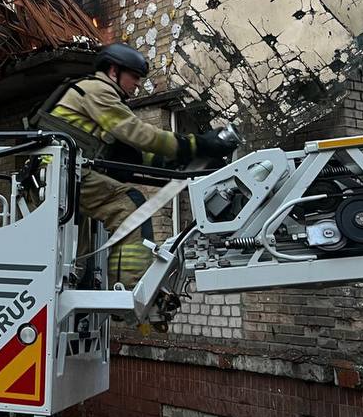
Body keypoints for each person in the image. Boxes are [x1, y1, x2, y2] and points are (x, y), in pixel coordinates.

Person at [35, 42, 234, 287]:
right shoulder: (98, 90)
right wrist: (198, 145)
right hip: (62, 173)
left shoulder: (94, 96)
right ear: (113, 71)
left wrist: (180, 161)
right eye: (135, 76)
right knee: (130, 206)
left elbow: (133, 154)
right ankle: (128, 288)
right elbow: (140, 134)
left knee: (76, 253)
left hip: (62, 174)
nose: (138, 84)